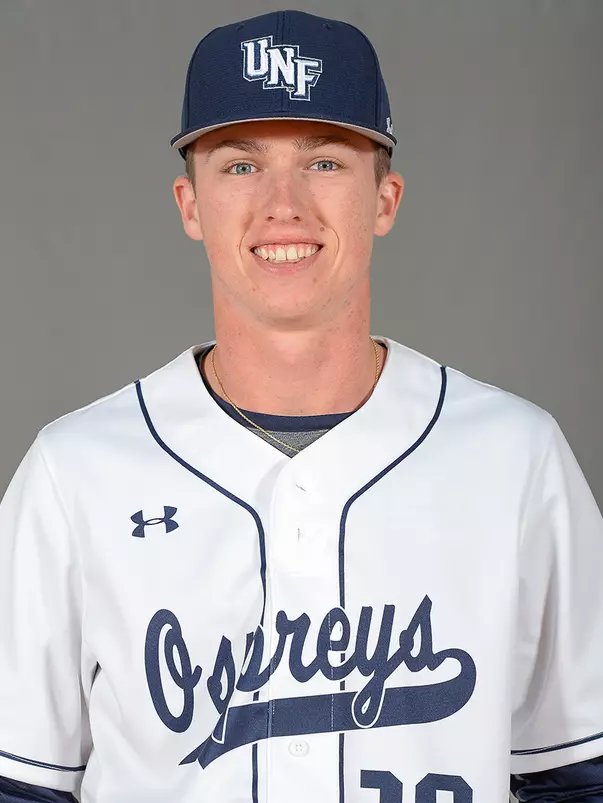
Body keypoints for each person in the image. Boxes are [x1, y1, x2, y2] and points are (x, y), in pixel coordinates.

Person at [1, 9, 602, 803]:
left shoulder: (516, 459)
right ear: (189, 204)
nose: (282, 205)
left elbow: (578, 779)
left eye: (323, 161)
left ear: (383, 199)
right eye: (240, 166)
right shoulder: (73, 475)